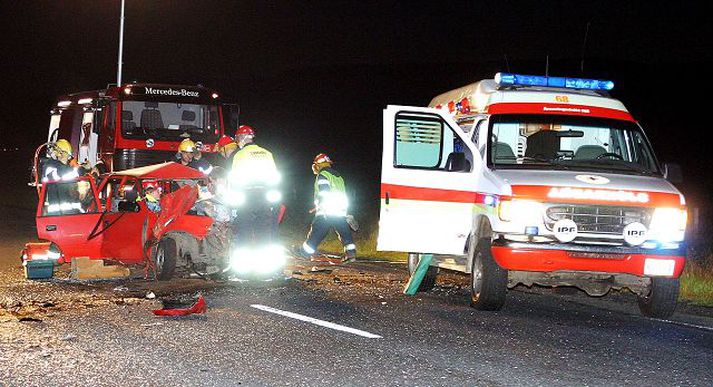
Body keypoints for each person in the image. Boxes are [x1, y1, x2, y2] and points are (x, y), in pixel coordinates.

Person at [229, 125, 280, 246]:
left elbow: (234, 180)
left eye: (237, 139)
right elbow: (275, 178)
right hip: (265, 197)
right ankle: (263, 259)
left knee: (244, 228)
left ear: (241, 138)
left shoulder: (239, 155)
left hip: (247, 197)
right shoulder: (267, 153)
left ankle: (244, 259)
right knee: (264, 230)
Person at [300, 153, 356, 262]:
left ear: (318, 164)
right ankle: (351, 254)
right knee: (344, 232)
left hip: (327, 209)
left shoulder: (323, 175)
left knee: (317, 231)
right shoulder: (338, 176)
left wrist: (320, 204)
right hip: (340, 210)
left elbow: (324, 192)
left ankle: (305, 253)